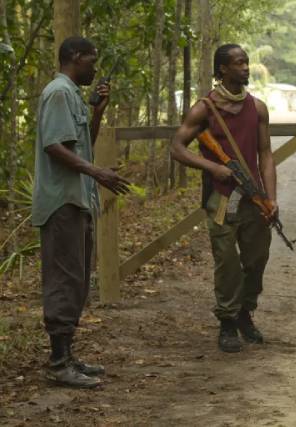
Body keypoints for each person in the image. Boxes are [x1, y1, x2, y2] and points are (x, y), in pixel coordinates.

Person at [32, 36, 131, 388]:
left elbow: (81, 143)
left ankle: (67, 356)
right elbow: (53, 146)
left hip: (77, 200)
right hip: (61, 202)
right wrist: (98, 172)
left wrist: (97, 113)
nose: (95, 67)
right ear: (74, 57)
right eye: (91, 60)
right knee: (63, 279)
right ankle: (58, 363)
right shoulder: (57, 92)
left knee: (75, 279)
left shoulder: (72, 95)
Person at [171, 44, 276, 353]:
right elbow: (177, 147)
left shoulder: (257, 108)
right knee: (227, 261)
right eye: (238, 63)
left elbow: (266, 154)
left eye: (246, 62)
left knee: (257, 259)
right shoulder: (204, 108)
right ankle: (228, 322)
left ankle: (245, 312)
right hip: (220, 199)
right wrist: (213, 167)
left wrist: (272, 197)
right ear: (222, 70)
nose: (245, 68)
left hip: (253, 197)